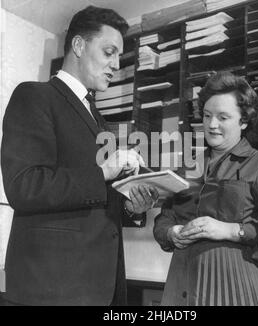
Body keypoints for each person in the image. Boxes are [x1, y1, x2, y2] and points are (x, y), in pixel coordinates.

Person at [1, 6, 158, 306]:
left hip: (98, 287)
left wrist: (133, 205)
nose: (116, 64)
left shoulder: (97, 118)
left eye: (119, 56)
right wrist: (103, 173)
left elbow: (97, 200)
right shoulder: (34, 96)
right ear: (78, 46)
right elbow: (24, 186)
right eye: (109, 52)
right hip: (51, 290)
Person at [153, 71, 258, 306]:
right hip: (180, 287)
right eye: (207, 115)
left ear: (243, 120)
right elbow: (164, 219)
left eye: (223, 117)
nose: (212, 125)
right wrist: (172, 233)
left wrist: (231, 230)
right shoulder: (189, 167)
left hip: (236, 290)